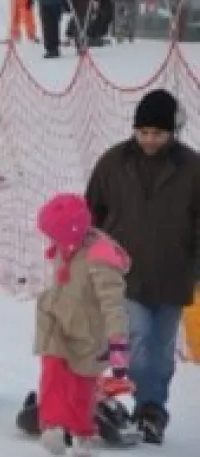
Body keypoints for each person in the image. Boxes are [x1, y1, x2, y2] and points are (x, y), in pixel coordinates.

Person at [85, 89, 200, 444]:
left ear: (172, 132)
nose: (150, 139)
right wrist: (88, 256)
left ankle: (152, 410)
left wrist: (193, 268)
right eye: (144, 132)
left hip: (172, 274)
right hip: (123, 275)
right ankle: (136, 397)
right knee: (136, 339)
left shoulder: (192, 168)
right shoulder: (113, 162)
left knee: (162, 351)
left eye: (158, 133)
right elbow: (92, 214)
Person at [33, 193, 131, 457]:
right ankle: (52, 426)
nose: (51, 241)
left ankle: (81, 434)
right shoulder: (66, 247)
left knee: (81, 386)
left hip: (88, 335)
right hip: (56, 322)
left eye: (54, 235)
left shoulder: (100, 257)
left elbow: (113, 305)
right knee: (52, 371)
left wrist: (118, 345)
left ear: (71, 232)